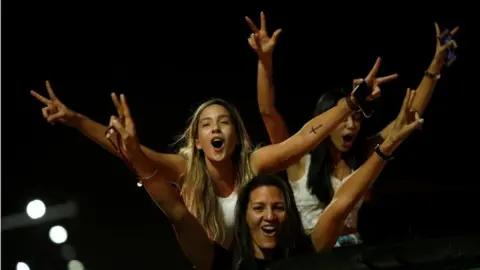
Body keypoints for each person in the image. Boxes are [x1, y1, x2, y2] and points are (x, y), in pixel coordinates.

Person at [30, 67, 382, 248]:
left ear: (235, 135)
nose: (217, 129)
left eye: (224, 122)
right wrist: (75, 120)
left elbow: (304, 139)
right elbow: (132, 152)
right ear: (198, 140)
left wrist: (348, 104)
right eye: (208, 124)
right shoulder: (185, 169)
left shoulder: (254, 163)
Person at [105, 87, 423, 270]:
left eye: (277, 208)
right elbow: (175, 212)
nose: (269, 216)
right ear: (244, 213)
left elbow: (342, 203)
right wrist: (132, 153)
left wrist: (387, 147)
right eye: (259, 208)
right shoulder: (218, 262)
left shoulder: (301, 255)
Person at [245, 12, 459, 246]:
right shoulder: (298, 161)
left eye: (357, 118)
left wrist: (436, 64)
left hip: (354, 252)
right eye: (344, 118)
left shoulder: (364, 154)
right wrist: (264, 61)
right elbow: (268, 111)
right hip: (312, 255)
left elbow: (408, 115)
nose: (351, 125)